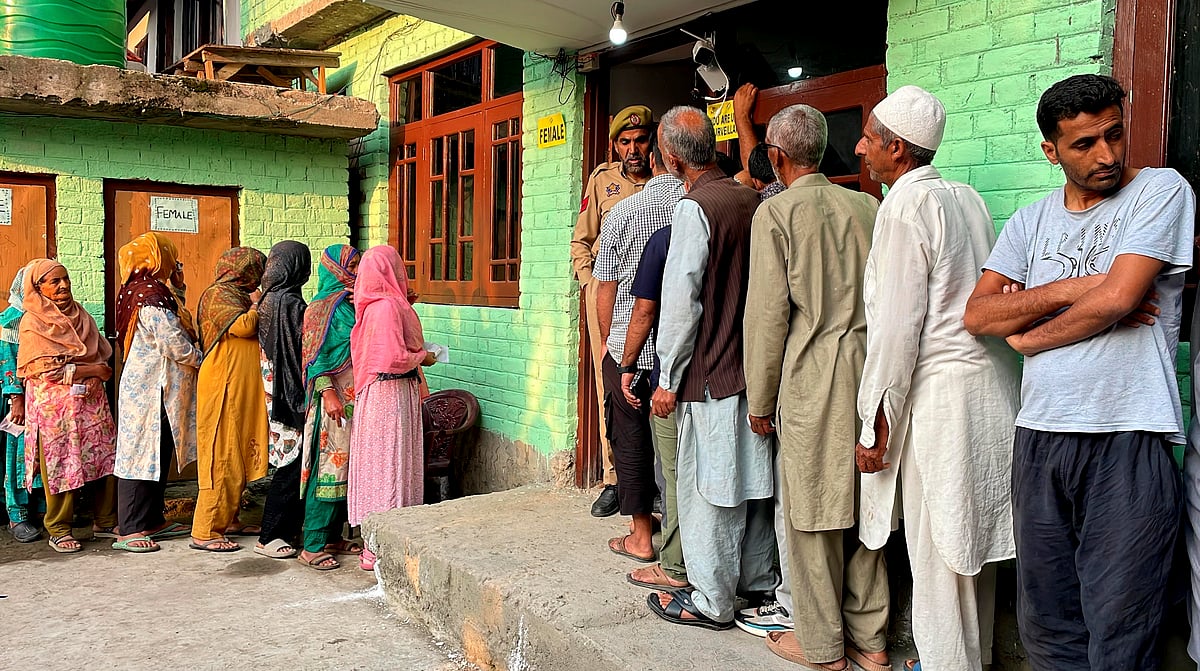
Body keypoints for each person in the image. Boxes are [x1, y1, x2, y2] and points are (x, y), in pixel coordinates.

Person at [964, 74, 1195, 671]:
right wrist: (1078, 286)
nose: (1108, 155)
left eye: (1115, 135)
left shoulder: (1159, 191)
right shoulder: (1028, 222)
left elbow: (1120, 301)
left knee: (1122, 627)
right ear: (1051, 151)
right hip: (1039, 435)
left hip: (1127, 434)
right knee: (1048, 623)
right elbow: (976, 312)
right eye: (1084, 144)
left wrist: (1026, 333)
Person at [853, 86, 1020, 671]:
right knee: (969, 551)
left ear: (896, 148)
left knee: (940, 553)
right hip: (990, 392)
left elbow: (897, 330)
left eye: (869, 139)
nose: (860, 148)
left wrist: (874, 426)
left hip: (941, 403)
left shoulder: (903, 207)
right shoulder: (966, 197)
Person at [742, 104, 891, 669]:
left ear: (777, 158)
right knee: (863, 507)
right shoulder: (869, 207)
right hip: (870, 369)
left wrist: (760, 398)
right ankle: (871, 642)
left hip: (811, 375)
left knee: (811, 516)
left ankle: (822, 646)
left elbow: (768, 316)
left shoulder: (775, 214)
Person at [646, 106, 777, 630]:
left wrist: (667, 378)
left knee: (712, 494)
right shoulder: (754, 199)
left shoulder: (693, 209)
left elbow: (682, 304)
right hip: (758, 374)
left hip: (709, 375)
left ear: (672, 157)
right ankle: (755, 587)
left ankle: (713, 601)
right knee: (754, 487)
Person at [595, 135, 686, 565]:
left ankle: (641, 535)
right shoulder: (697, 208)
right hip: (684, 353)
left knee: (630, 440)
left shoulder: (622, 214)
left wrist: (609, 350)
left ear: (653, 159)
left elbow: (607, 288)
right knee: (679, 448)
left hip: (630, 349)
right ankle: (680, 539)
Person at [571, 104, 655, 517]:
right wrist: (588, 283)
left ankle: (650, 480)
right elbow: (581, 241)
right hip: (608, 298)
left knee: (652, 383)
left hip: (654, 298)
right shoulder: (602, 182)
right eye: (625, 142)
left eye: (640, 140)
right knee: (610, 387)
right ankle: (614, 478)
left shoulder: (667, 182)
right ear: (614, 146)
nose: (633, 149)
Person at [18, 259, 118, 553]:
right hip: (55, 408)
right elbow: (46, 369)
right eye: (54, 282)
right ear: (38, 288)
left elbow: (100, 353)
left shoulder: (80, 315)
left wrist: (93, 370)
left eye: (66, 279)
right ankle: (59, 527)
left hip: (90, 402)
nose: (63, 286)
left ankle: (105, 520)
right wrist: (92, 371)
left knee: (104, 457)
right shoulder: (33, 322)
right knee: (61, 463)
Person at [112, 233, 202, 553]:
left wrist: (177, 281)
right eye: (171, 257)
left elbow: (176, 315)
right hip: (148, 387)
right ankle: (130, 527)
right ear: (156, 257)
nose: (175, 262)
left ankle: (151, 520)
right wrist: (201, 359)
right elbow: (173, 341)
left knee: (157, 451)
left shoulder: (149, 290)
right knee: (138, 454)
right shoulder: (150, 296)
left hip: (157, 388)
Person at [348, 246, 435, 570]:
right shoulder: (386, 308)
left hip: (378, 395)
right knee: (391, 466)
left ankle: (375, 542)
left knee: (378, 465)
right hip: (392, 395)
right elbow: (392, 359)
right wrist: (422, 358)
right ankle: (383, 545)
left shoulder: (373, 305)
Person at [192, 247, 269, 552]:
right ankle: (206, 530)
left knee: (236, 450)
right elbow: (243, 327)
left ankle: (231, 518)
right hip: (223, 382)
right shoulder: (219, 294)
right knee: (222, 454)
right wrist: (258, 303)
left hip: (236, 383)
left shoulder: (235, 294)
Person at [297, 244, 362, 572]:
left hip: (354, 397)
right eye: (352, 265)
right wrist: (328, 393)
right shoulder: (321, 309)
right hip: (333, 399)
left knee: (347, 469)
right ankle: (312, 544)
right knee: (327, 468)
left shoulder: (351, 303)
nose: (356, 269)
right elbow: (313, 357)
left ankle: (333, 536)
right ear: (337, 269)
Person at [254, 241, 311, 560]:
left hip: (274, 388)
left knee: (290, 459)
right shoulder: (287, 302)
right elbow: (297, 352)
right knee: (290, 464)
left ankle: (285, 529)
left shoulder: (269, 297)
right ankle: (270, 534)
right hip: (288, 393)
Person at [1, 265, 41, 543]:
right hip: (21, 399)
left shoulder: (46, 315)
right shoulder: (13, 318)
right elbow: (8, 359)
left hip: (45, 398)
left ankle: (40, 507)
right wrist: (16, 398)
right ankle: (16, 514)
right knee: (17, 455)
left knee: (40, 454)